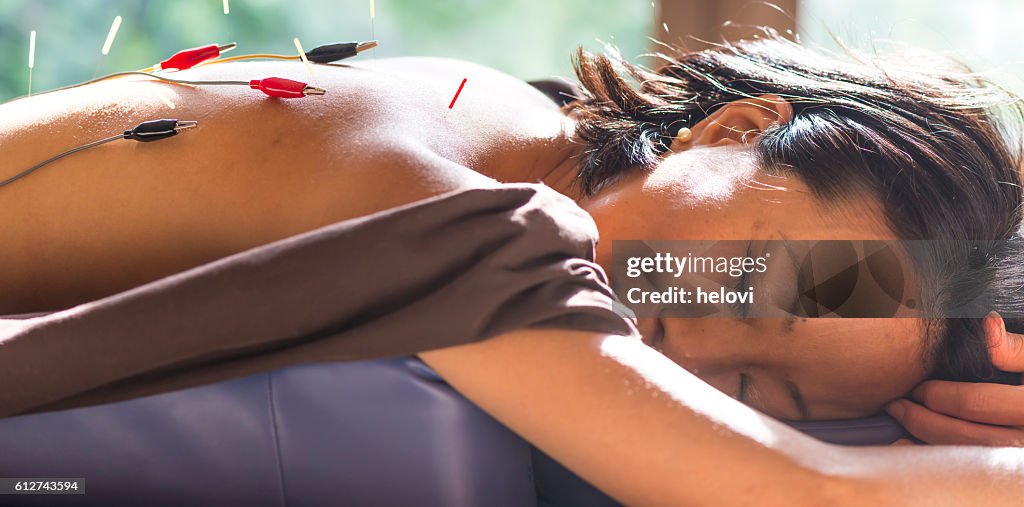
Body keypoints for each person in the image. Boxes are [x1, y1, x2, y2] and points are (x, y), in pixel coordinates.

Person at [1, 33, 1023, 504]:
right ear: (737, 124)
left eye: (749, 387)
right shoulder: (444, 186)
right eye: (750, 278)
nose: (682, 335)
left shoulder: (510, 131)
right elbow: (798, 485)